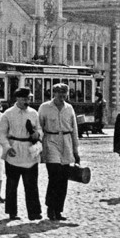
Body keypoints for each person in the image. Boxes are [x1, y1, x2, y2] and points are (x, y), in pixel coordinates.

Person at [0, 87, 43, 221]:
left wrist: (37, 134)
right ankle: (12, 212)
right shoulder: (8, 114)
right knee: (12, 184)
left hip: (30, 150)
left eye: (28, 99)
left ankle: (34, 212)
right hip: (14, 150)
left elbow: (40, 129)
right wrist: (6, 147)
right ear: (17, 98)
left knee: (31, 184)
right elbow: (1, 134)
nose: (26, 101)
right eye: (24, 99)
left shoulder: (34, 113)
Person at [38, 83, 80, 221]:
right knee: (54, 175)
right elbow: (40, 127)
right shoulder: (44, 108)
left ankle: (59, 209)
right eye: (59, 94)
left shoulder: (69, 108)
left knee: (63, 179)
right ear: (54, 94)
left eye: (64, 94)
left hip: (66, 142)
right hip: (51, 141)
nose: (62, 97)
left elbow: (74, 130)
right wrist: (39, 147)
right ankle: (51, 208)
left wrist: (75, 150)